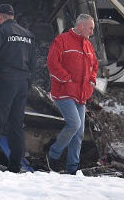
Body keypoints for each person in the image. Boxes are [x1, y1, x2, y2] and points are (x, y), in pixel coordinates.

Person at [45, 13, 98, 174]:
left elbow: (94, 66)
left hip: (81, 95)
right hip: (64, 92)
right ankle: (53, 155)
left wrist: (92, 82)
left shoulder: (88, 45)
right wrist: (66, 80)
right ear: (81, 26)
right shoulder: (61, 40)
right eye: (90, 28)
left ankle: (72, 169)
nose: (92, 32)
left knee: (79, 133)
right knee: (74, 124)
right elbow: (52, 63)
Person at [0, 4, 36, 173]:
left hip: (4, 81)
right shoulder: (27, 34)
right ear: (13, 16)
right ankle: (15, 164)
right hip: (22, 82)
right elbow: (33, 63)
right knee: (16, 124)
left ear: (0, 16)